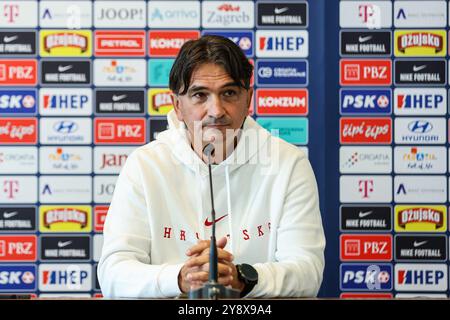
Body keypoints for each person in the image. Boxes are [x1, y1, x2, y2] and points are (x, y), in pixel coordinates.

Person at [98, 35, 326, 298]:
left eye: (229, 93)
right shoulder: (145, 165)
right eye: (200, 95)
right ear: (177, 105)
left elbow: (308, 272)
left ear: (248, 99)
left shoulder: (288, 164)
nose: (216, 110)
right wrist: (181, 278)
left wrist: (244, 278)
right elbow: (113, 274)